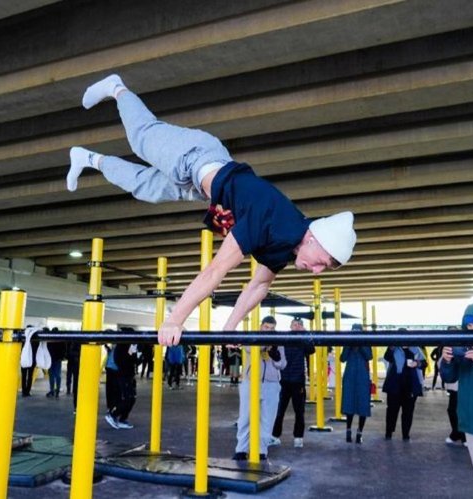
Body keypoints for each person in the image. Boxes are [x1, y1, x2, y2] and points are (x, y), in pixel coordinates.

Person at [66, 74, 357, 348]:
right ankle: (117, 88)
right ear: (314, 238)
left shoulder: (288, 244)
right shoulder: (271, 222)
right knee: (142, 138)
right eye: (323, 262)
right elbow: (214, 271)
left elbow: (259, 286)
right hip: (196, 156)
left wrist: (230, 326)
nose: (317, 272)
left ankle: (88, 158)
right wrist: (174, 320)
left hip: (198, 185)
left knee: (145, 188)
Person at [440, 302, 473, 499]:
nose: (472, 330)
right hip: (469, 421)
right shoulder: (462, 347)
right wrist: (446, 361)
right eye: (468, 326)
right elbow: (449, 377)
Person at [233, 316, 286, 461]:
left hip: (272, 383)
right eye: (266, 327)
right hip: (250, 382)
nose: (269, 330)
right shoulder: (252, 337)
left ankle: (262, 451)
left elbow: (282, 364)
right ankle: (241, 450)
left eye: (272, 328)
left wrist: (275, 355)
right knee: (245, 417)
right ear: (261, 326)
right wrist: (266, 345)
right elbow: (250, 348)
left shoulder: (279, 342)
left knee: (267, 419)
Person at [271, 317, 315, 448]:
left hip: (298, 380)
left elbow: (311, 350)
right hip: (283, 380)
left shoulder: (303, 339)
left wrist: (305, 333)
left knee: (299, 411)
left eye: (299, 325)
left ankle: (298, 437)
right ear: (290, 326)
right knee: (279, 410)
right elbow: (275, 350)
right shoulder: (285, 337)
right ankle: (275, 436)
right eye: (294, 324)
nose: (296, 327)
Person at [382, 344, 425, 441]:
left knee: (408, 412)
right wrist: (391, 347)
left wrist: (417, 363)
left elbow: (424, 363)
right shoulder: (393, 348)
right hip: (394, 384)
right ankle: (389, 432)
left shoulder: (416, 349)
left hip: (410, 385)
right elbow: (387, 357)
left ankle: (406, 434)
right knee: (392, 410)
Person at [341, 324, 372, 444]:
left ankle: (360, 433)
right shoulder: (348, 342)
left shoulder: (366, 342)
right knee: (349, 405)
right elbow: (342, 358)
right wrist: (349, 345)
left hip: (362, 378)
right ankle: (348, 430)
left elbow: (369, 356)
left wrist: (360, 344)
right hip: (350, 377)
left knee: (363, 405)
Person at [105, 333, 139, 430]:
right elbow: (122, 361)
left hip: (126, 374)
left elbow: (134, 361)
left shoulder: (127, 345)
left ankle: (120, 418)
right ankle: (113, 414)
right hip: (122, 374)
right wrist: (131, 355)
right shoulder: (122, 346)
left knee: (130, 398)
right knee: (127, 397)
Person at [441, 327, 465, 447]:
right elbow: (446, 371)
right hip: (454, 386)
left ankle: (461, 435)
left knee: (457, 410)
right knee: (453, 410)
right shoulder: (448, 347)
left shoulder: (463, 345)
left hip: (462, 385)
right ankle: (458, 433)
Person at [46, 328, 66, 398]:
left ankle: (52, 391)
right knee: (58, 375)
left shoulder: (50, 339)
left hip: (50, 359)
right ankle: (57, 390)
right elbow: (64, 349)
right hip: (58, 359)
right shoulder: (61, 339)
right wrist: (62, 357)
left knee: (51, 375)